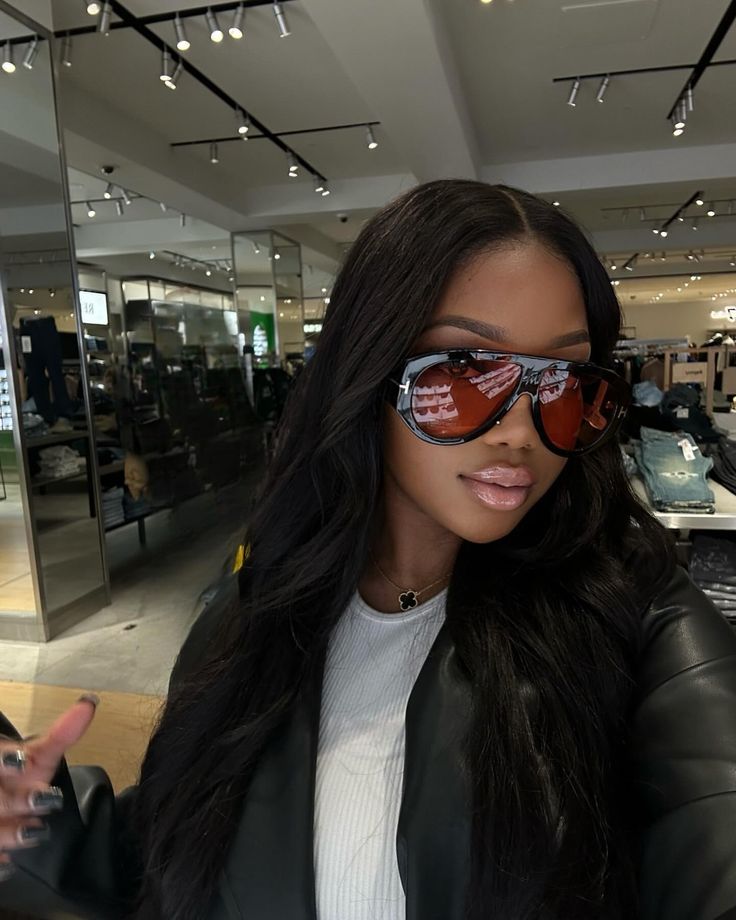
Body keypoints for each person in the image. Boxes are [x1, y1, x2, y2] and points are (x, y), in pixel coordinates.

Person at [1, 180, 736, 920]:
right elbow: (170, 866)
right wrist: (34, 827)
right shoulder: (254, 610)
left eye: (562, 380)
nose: (519, 429)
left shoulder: (637, 624)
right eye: (465, 372)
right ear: (367, 373)